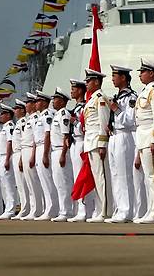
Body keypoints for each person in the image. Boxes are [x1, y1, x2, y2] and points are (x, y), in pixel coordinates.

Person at [134, 59, 154, 224]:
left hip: (150, 136)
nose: (140, 74)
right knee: (148, 176)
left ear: (151, 73)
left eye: (143, 71)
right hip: (142, 135)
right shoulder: (145, 91)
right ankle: (151, 209)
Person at [106, 65, 138, 223]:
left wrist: (116, 110)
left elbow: (130, 120)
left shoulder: (131, 97)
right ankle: (119, 209)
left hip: (125, 136)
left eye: (115, 75)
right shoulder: (117, 96)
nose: (112, 78)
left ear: (123, 78)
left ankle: (126, 211)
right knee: (115, 174)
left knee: (124, 175)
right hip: (114, 136)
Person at [83, 69, 112, 223]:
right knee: (97, 178)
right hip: (90, 142)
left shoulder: (100, 98)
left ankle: (105, 211)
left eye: (89, 81)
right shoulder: (92, 99)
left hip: (97, 142)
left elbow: (104, 122)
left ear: (96, 82)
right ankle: (100, 209)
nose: (86, 83)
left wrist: (102, 143)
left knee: (102, 178)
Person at [68, 79, 94, 222]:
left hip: (82, 142)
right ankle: (80, 209)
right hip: (74, 142)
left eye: (73, 89)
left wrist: (75, 122)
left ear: (80, 90)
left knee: (82, 177)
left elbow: (85, 127)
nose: (71, 91)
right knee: (76, 176)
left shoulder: (84, 107)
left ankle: (84, 210)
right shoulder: (77, 108)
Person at [49, 87, 75, 222]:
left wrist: (63, 154)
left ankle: (67, 211)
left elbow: (66, 136)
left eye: (56, 99)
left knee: (64, 182)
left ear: (62, 100)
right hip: (55, 150)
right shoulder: (57, 114)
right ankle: (63, 210)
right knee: (58, 182)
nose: (53, 101)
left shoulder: (64, 113)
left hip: (61, 150)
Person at [34, 90, 59, 220]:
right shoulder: (41, 116)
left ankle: (52, 209)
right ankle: (48, 208)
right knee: (43, 180)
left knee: (48, 180)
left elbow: (47, 134)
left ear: (44, 102)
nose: (35, 103)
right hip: (38, 147)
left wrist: (45, 154)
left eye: (38, 101)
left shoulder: (47, 115)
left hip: (44, 147)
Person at [19, 93, 44, 220]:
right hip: (25, 150)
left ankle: (37, 209)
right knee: (29, 183)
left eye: (28, 103)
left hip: (31, 150)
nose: (26, 105)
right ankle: (34, 209)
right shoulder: (29, 119)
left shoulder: (35, 118)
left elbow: (35, 138)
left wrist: (33, 155)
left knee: (34, 183)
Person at [0, 104, 18, 219]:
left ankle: (11, 209)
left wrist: (7, 159)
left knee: (9, 185)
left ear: (8, 115)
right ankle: (7, 208)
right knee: (4, 185)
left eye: (3, 113)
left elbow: (10, 142)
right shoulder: (4, 127)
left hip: (6, 156)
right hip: (1, 156)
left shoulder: (9, 126)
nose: (1, 116)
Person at [10, 99, 30, 220]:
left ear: (22, 110)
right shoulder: (19, 123)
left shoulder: (23, 122)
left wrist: (22, 158)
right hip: (16, 153)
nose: (15, 111)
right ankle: (24, 208)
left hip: (21, 153)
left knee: (24, 184)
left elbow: (25, 141)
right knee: (20, 185)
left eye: (17, 109)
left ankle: (26, 209)